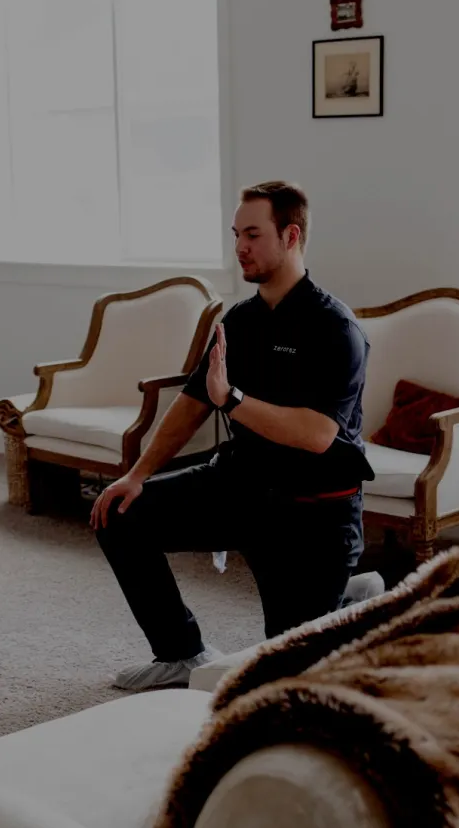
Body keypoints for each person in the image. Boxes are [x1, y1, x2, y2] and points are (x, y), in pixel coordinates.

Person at [89, 180, 375, 691]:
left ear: (290, 236)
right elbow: (194, 402)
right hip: (241, 486)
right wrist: (136, 474)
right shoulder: (239, 321)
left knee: (281, 680)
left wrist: (233, 399)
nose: (239, 247)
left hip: (312, 514)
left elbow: (315, 434)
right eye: (235, 234)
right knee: (119, 514)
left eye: (253, 234)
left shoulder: (335, 328)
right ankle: (182, 654)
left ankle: (349, 598)